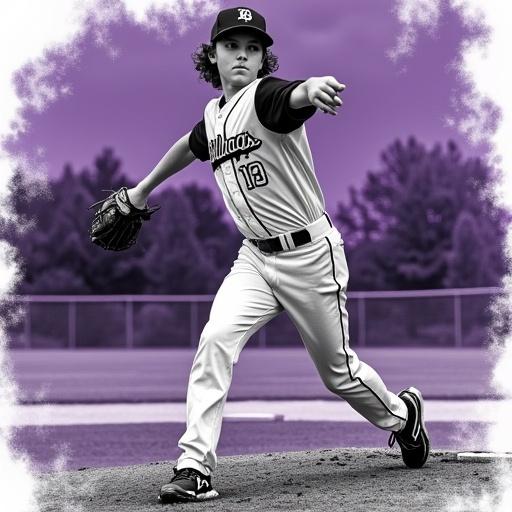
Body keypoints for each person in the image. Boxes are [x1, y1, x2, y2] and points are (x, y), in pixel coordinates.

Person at [127, 6, 430, 505]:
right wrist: (141, 191)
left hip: (310, 256)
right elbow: (190, 145)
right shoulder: (214, 116)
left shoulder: (265, 97)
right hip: (254, 260)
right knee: (215, 339)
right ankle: (194, 465)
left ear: (264, 57)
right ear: (213, 55)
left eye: (253, 47)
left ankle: (403, 417)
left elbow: (293, 95)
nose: (242, 55)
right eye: (231, 46)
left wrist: (313, 89)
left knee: (339, 374)